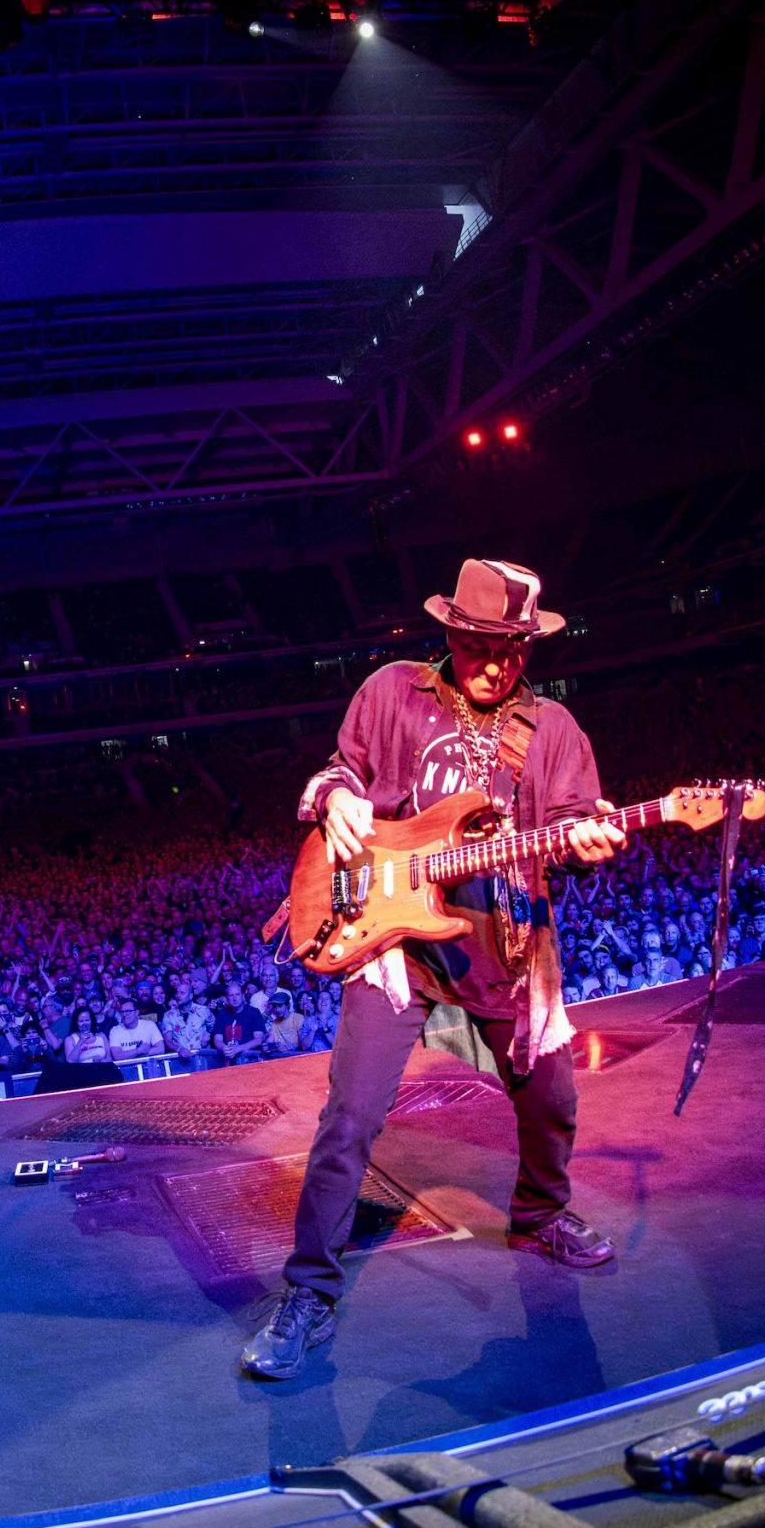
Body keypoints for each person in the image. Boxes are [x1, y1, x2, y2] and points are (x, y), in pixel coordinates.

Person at [241, 559, 626, 1380]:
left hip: (504, 942)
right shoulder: (392, 693)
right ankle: (309, 1291)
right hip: (396, 944)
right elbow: (340, 773)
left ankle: (539, 1211)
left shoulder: (551, 729)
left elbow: (570, 824)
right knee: (350, 1115)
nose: (501, 664)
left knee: (552, 1096)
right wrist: (337, 798)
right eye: (486, 645)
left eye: (517, 649)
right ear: (452, 633)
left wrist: (588, 841)